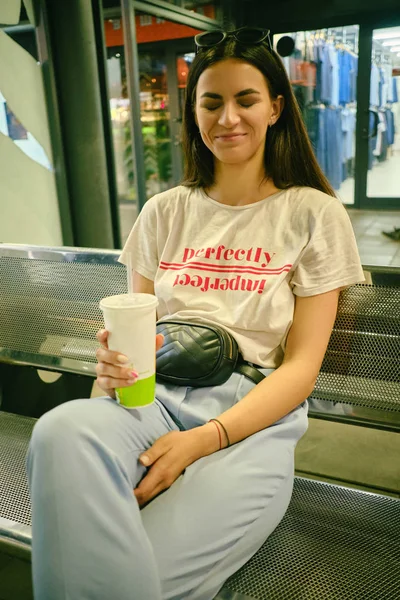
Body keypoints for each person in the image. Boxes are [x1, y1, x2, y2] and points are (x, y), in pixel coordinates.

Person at [26, 27, 365, 600]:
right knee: (62, 431)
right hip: (151, 401)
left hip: (248, 423)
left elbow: (301, 369)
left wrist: (204, 440)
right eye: (211, 102)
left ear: (276, 107)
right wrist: (112, 366)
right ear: (193, 113)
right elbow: (138, 326)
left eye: (246, 99)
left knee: (136, 580)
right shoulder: (164, 212)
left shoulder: (313, 213)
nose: (227, 117)